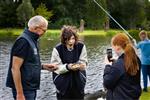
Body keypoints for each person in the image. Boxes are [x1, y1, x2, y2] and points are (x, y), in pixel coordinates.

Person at [6, 15, 57, 100]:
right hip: (24, 90)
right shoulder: (23, 41)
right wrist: (20, 94)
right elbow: (15, 68)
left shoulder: (33, 40)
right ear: (36, 28)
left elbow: (29, 63)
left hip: (30, 88)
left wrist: (44, 66)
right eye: (44, 30)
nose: (44, 33)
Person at [50, 25, 88, 100]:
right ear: (64, 39)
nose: (71, 41)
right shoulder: (57, 49)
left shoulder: (81, 46)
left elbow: (84, 61)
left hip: (78, 82)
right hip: (62, 84)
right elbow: (56, 67)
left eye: (73, 39)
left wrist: (82, 65)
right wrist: (67, 67)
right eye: (68, 39)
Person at [103, 33, 142, 100]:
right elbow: (126, 75)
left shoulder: (119, 65)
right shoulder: (136, 59)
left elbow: (107, 83)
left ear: (117, 47)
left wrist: (107, 65)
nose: (113, 49)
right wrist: (116, 62)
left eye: (113, 46)